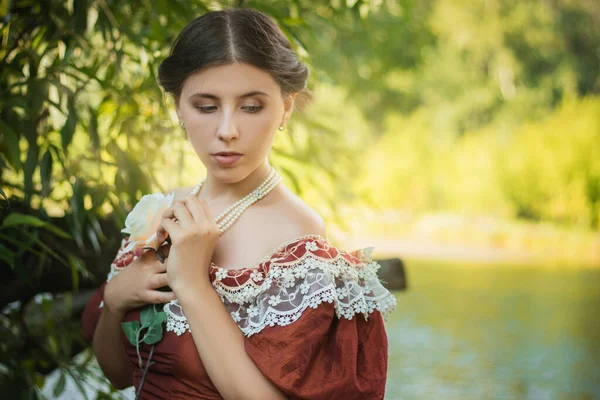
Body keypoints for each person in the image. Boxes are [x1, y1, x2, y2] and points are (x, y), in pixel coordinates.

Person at [81, 8, 396, 400]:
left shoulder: (296, 237)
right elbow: (119, 375)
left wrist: (193, 285)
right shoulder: (164, 209)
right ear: (178, 107)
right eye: (206, 107)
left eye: (251, 106)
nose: (227, 131)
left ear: (286, 107)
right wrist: (114, 301)